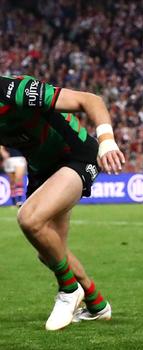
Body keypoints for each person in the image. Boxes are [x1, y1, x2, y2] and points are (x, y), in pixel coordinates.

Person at [0, 75, 124, 330]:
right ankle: (96, 304)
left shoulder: (15, 90)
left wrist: (107, 141)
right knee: (49, 251)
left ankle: (68, 291)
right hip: (42, 170)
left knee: (29, 218)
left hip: (76, 155)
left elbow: (90, 100)